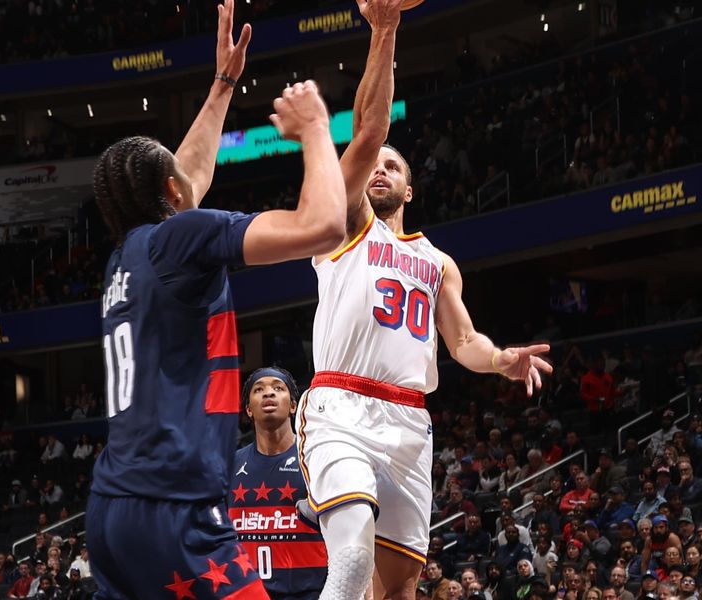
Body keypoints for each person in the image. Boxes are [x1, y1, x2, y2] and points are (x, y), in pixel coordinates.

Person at [84, 1, 347, 597]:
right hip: (175, 514)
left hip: (110, 510)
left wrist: (223, 85)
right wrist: (314, 128)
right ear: (173, 194)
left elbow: (186, 178)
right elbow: (324, 225)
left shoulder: (126, 257)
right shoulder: (178, 238)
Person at [297, 3, 554, 599]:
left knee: (399, 586)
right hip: (341, 404)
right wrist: (384, 31)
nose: (380, 170)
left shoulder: (438, 262)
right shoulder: (348, 225)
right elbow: (368, 132)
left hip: (409, 418)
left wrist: (501, 360)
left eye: (394, 167)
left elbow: (463, 341)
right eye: (376, 168)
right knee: (354, 550)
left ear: (411, 188)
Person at [228, 367, 327, 599]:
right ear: (248, 410)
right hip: (247, 593)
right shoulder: (228, 465)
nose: (268, 393)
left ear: (293, 406)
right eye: (259, 389)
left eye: (278, 388)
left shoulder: (316, 459)